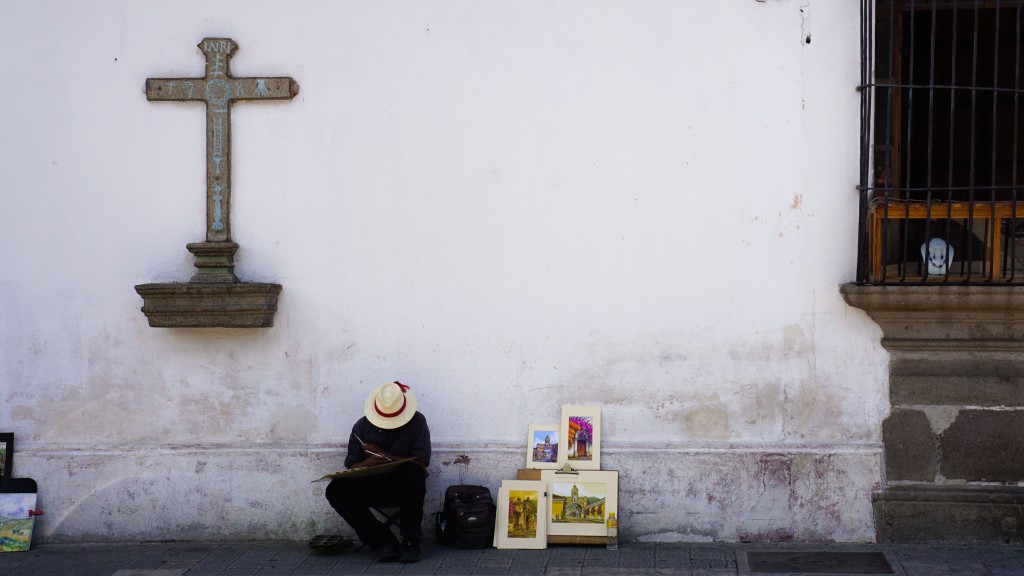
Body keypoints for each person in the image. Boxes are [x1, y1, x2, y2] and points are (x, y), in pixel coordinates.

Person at [325, 381, 431, 563]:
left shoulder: (417, 422)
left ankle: (410, 540)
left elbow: (421, 463)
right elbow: (351, 466)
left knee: (414, 472)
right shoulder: (361, 427)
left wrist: (386, 456)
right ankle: (382, 541)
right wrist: (368, 462)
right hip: (371, 486)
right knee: (335, 489)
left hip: (404, 488)